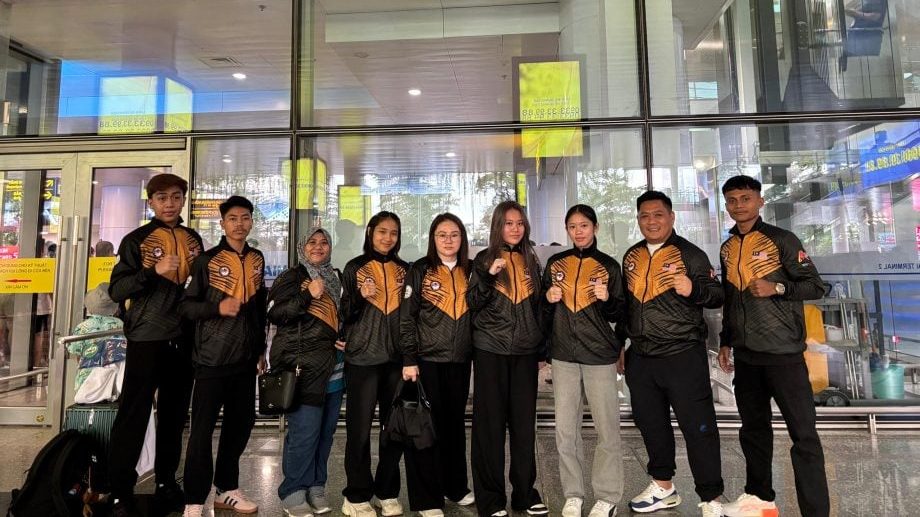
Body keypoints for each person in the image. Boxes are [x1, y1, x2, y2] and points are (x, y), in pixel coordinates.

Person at [717, 175, 830, 517]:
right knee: (753, 431)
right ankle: (759, 498)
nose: (739, 205)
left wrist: (777, 288)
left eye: (745, 198)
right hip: (747, 356)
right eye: (732, 200)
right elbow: (730, 299)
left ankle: (816, 511)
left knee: (804, 436)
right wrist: (725, 341)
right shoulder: (727, 248)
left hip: (784, 355)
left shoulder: (782, 239)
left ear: (760, 201)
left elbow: (816, 286)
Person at [617, 191, 725, 517]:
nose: (651, 221)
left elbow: (717, 295)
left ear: (671, 217)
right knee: (651, 425)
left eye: (658, 214)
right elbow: (626, 306)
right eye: (645, 216)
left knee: (698, 427)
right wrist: (620, 344)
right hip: (641, 357)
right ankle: (663, 487)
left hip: (682, 355)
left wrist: (694, 289)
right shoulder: (632, 256)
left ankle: (711, 498)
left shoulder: (690, 254)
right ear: (638, 220)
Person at [107, 173, 202, 517]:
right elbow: (117, 290)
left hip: (183, 339)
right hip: (146, 338)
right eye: (162, 198)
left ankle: (165, 483)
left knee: (174, 416)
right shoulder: (136, 240)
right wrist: (152, 271)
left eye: (176, 197)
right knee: (133, 415)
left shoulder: (193, 239)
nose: (169, 204)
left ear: (183, 200)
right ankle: (119, 490)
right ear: (151, 202)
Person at [178, 195, 267, 517]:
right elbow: (186, 306)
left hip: (245, 361)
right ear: (223, 223)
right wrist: (217, 307)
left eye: (245, 218)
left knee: (240, 427)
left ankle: (226, 489)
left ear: (251, 221)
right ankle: (193, 499)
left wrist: (260, 351)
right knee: (201, 432)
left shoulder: (256, 259)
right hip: (211, 360)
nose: (239, 224)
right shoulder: (207, 261)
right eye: (233, 218)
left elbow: (258, 310)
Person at [542, 205, 625, 517]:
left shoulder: (609, 266)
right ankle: (573, 494)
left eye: (584, 225)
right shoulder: (555, 264)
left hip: (599, 356)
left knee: (607, 429)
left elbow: (621, 313)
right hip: (563, 355)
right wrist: (547, 298)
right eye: (572, 226)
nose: (578, 232)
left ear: (595, 228)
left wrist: (607, 299)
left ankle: (607, 496)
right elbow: (543, 312)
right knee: (565, 430)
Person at [468, 200, 547, 517]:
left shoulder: (532, 260)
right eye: (508, 223)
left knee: (524, 428)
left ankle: (525, 494)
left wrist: (541, 351)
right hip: (490, 350)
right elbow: (472, 303)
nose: (515, 229)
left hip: (525, 354)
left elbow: (539, 309)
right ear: (498, 226)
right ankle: (491, 499)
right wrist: (488, 276)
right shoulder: (483, 259)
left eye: (520, 223)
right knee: (489, 429)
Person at [399, 213, 476, 517]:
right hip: (427, 362)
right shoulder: (420, 270)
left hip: (460, 361)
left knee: (454, 427)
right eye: (442, 235)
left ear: (462, 238)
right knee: (425, 430)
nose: (448, 240)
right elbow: (407, 317)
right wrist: (409, 358)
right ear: (433, 238)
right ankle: (427, 499)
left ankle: (455, 487)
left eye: (454, 234)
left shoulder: (471, 270)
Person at [268, 228, 345, 517]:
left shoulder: (336, 278)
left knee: (325, 435)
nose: (318, 247)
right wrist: (306, 295)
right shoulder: (291, 277)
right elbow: (275, 314)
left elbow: (344, 316)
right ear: (302, 247)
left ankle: (316, 487)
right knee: (304, 434)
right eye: (312, 242)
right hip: (305, 368)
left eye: (324, 242)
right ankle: (293, 491)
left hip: (335, 369)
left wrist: (346, 335)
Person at [339, 211, 410, 517]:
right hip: (363, 360)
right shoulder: (354, 267)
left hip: (395, 361)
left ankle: (386, 491)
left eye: (393, 233)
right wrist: (359, 296)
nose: (388, 238)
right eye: (382, 231)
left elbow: (410, 316)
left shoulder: (405, 270)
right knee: (359, 431)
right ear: (370, 232)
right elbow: (344, 314)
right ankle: (356, 495)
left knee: (393, 430)